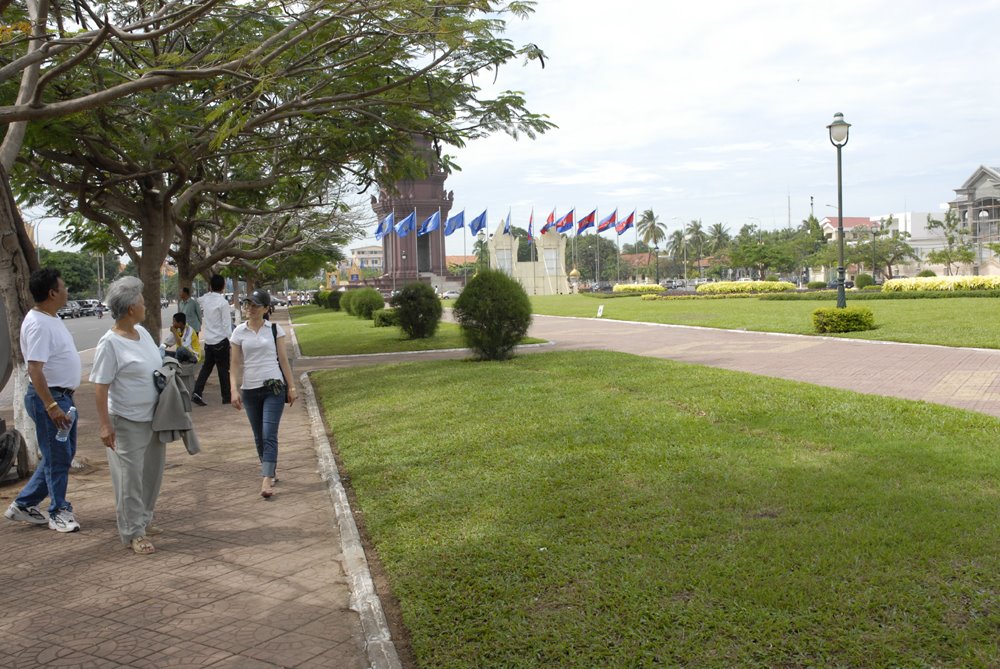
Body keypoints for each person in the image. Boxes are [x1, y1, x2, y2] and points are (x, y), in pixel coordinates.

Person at [90, 276, 166, 555]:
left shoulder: (142, 333)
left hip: (155, 418)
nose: (146, 306)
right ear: (131, 307)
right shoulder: (110, 343)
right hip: (126, 421)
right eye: (143, 302)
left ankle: (144, 519)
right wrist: (104, 425)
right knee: (129, 479)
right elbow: (100, 386)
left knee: (151, 475)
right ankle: (133, 531)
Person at [4, 268, 82, 532]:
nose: (67, 290)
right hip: (51, 400)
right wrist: (51, 406)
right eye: (63, 287)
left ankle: (23, 505)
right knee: (58, 457)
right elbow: (34, 369)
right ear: (52, 293)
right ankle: (59, 511)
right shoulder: (38, 324)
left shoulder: (50, 318)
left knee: (60, 455)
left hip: (63, 399)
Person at [229, 289, 296, 498]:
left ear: (266, 308)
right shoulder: (239, 332)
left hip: (273, 387)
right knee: (259, 435)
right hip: (250, 390)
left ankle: (266, 478)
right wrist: (233, 389)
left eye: (256, 305)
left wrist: (291, 387)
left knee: (269, 433)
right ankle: (270, 469)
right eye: (248, 304)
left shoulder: (275, 330)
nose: (250, 308)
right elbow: (234, 364)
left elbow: (283, 361)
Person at [192, 274, 232, 406]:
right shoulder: (223, 303)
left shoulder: (205, 299)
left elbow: (198, 300)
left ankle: (197, 392)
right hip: (220, 340)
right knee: (223, 370)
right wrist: (231, 341)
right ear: (223, 286)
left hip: (208, 341)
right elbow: (227, 325)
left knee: (206, 369)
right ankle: (226, 397)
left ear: (210, 286)